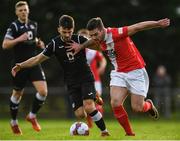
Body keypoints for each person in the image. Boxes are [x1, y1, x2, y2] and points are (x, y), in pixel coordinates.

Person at [67, 17, 170, 136]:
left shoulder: (117, 33)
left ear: (102, 30)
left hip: (136, 71)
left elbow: (138, 26)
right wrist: (80, 46)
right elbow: (91, 41)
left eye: (96, 34)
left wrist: (158, 23)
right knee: (115, 103)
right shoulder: (97, 38)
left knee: (137, 107)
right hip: (119, 73)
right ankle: (129, 134)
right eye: (92, 35)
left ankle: (149, 105)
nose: (94, 37)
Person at [11, 15, 109, 136]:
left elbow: (99, 45)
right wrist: (21, 65)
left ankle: (104, 132)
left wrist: (85, 45)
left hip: (85, 77)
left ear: (73, 29)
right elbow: (37, 59)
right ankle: (94, 96)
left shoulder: (79, 39)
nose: (67, 35)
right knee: (80, 115)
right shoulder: (54, 44)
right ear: (59, 29)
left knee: (89, 107)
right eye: (64, 31)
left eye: (70, 31)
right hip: (71, 81)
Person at [2, 1, 48, 135]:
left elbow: (33, 39)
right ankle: (14, 122)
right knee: (17, 94)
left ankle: (32, 115)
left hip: (33, 63)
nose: (23, 12)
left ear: (28, 11)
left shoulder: (33, 24)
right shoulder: (14, 26)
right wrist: (18, 39)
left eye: (25, 9)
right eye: (20, 10)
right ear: (16, 12)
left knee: (43, 92)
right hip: (19, 65)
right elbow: (5, 45)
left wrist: (39, 43)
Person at [78, 29, 107, 128]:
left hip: (95, 80)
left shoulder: (92, 51)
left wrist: (102, 66)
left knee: (97, 102)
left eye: (85, 37)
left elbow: (102, 59)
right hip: (81, 81)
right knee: (86, 104)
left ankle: (101, 124)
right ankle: (89, 124)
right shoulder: (76, 50)